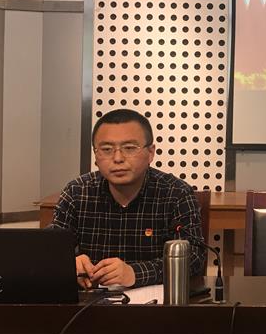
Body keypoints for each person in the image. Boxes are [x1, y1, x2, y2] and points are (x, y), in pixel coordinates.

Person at [52, 109, 206, 288]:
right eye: (107, 150)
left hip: (154, 301)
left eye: (129, 148)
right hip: (92, 300)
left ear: (151, 153)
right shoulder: (77, 192)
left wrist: (135, 273)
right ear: (96, 155)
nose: (118, 158)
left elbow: (194, 257)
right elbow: (48, 251)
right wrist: (69, 264)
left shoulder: (176, 193)